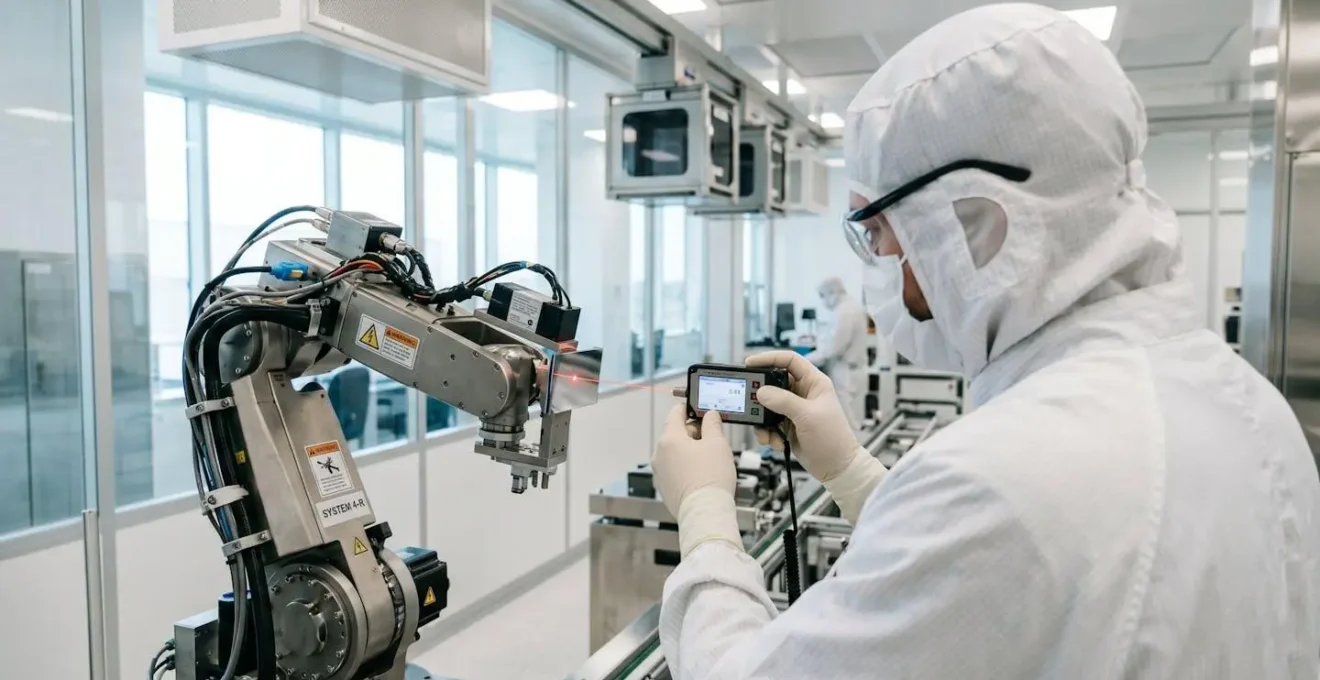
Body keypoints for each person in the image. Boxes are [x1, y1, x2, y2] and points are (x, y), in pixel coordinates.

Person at [649, 4, 1320, 679]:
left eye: (880, 235)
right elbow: (990, 581)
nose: (880, 265)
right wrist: (851, 471)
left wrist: (706, 518)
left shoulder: (1005, 476)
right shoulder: (1245, 403)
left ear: (971, 224)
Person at [804, 277, 869, 430]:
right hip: (855, 370)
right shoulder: (853, 306)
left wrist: (804, 359)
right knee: (855, 420)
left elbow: (833, 348)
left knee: (847, 424)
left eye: (823, 296)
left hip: (845, 373)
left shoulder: (844, 312)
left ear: (832, 292)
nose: (823, 301)